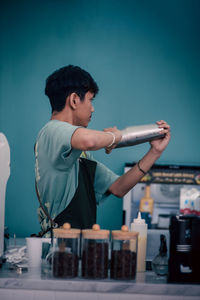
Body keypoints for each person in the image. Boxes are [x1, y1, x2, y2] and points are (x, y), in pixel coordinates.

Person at [34, 65, 170, 234]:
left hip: (80, 246)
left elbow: (119, 187)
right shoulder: (51, 131)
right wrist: (116, 137)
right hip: (59, 248)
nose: (93, 108)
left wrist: (154, 152)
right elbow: (89, 140)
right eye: (90, 100)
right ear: (74, 100)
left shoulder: (79, 153)